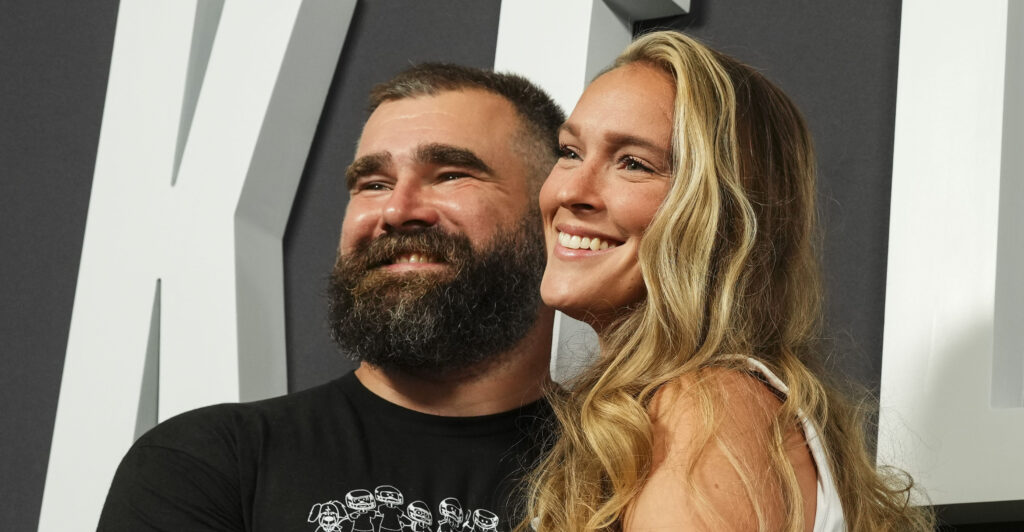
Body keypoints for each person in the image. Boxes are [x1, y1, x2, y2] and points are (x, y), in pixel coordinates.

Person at [98, 63, 564, 532]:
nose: (397, 210)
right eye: (374, 184)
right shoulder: (206, 464)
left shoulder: (622, 477)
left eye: (449, 175)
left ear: (554, 217)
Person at [521, 31, 934, 531]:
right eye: (569, 152)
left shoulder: (706, 409)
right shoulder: (692, 404)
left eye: (633, 163)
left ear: (725, 215)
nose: (570, 190)